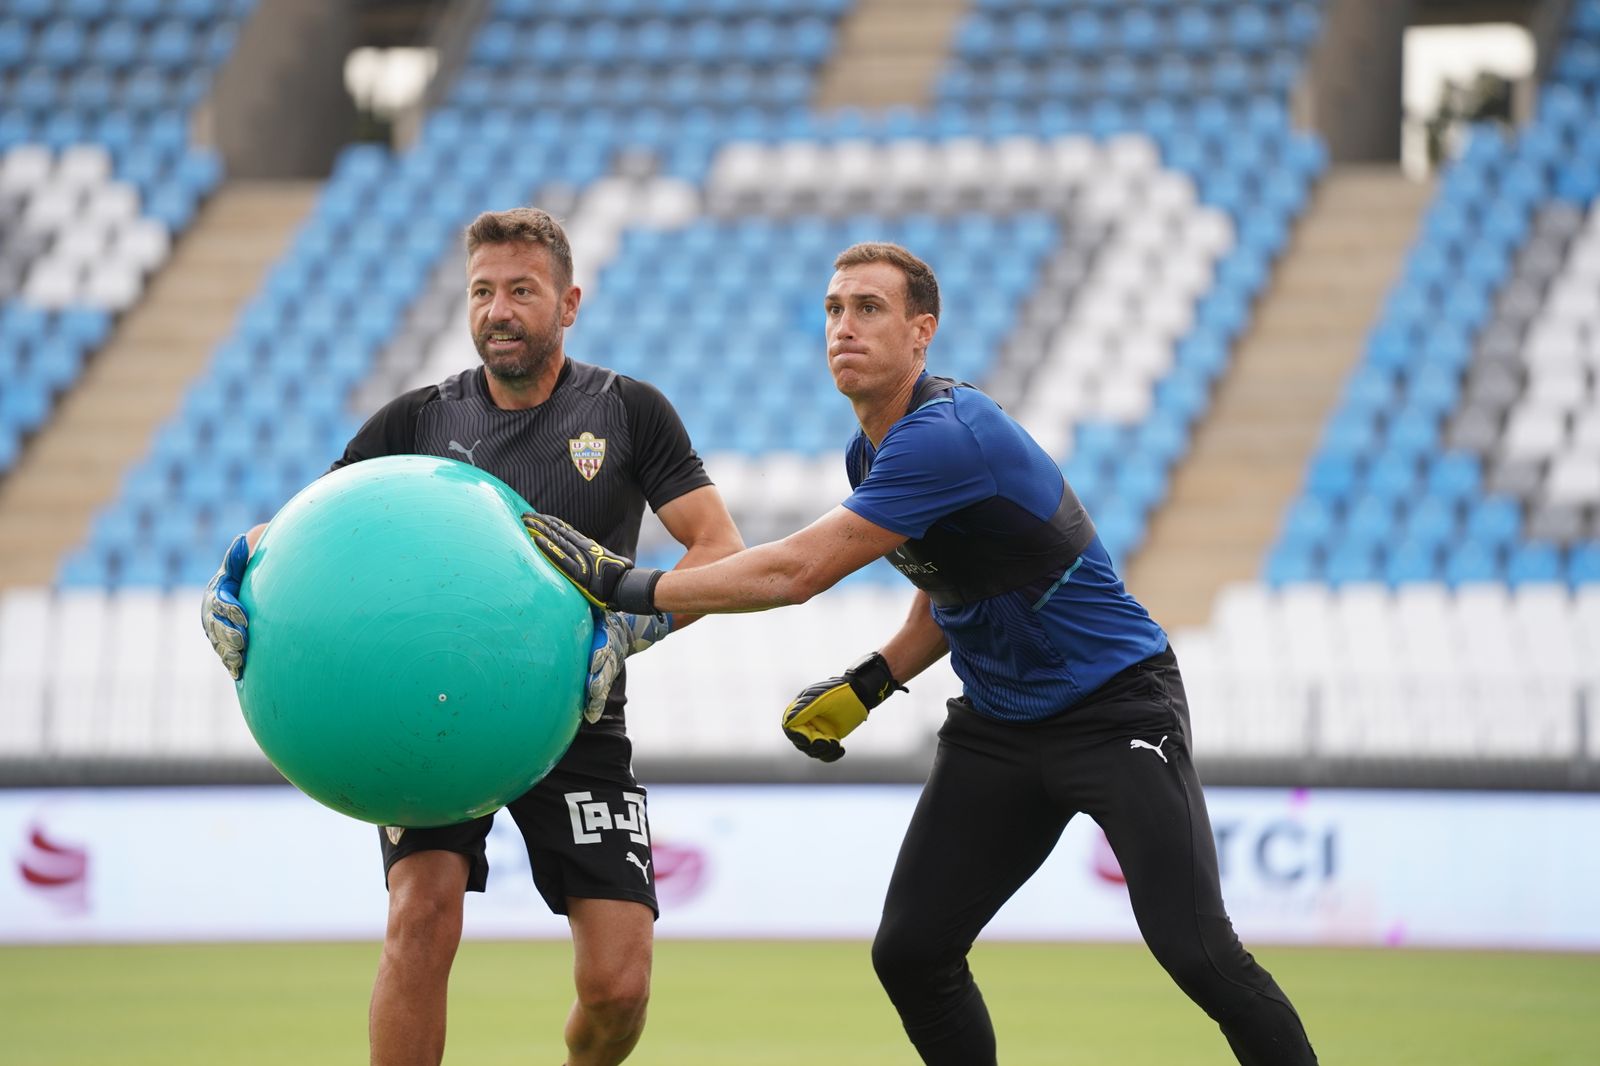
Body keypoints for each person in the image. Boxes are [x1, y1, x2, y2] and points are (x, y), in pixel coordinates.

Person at [523, 242, 1320, 1065]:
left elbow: (799, 572)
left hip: (1116, 709)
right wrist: (874, 680)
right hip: (1001, 729)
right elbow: (953, 587)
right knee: (912, 954)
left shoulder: (949, 434)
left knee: (1199, 954)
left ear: (921, 333)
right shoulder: (871, 450)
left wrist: (626, 586)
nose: (844, 326)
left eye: (869, 308)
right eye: (834, 309)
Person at [201, 207, 744, 1066]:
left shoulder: (632, 412)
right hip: (430, 721)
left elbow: (721, 551)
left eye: (521, 291)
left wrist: (625, 633)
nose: (498, 310)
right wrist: (234, 575)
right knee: (420, 914)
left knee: (619, 989)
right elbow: (308, 533)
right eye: (482, 291)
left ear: (569, 303)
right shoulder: (415, 423)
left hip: (576, 711)